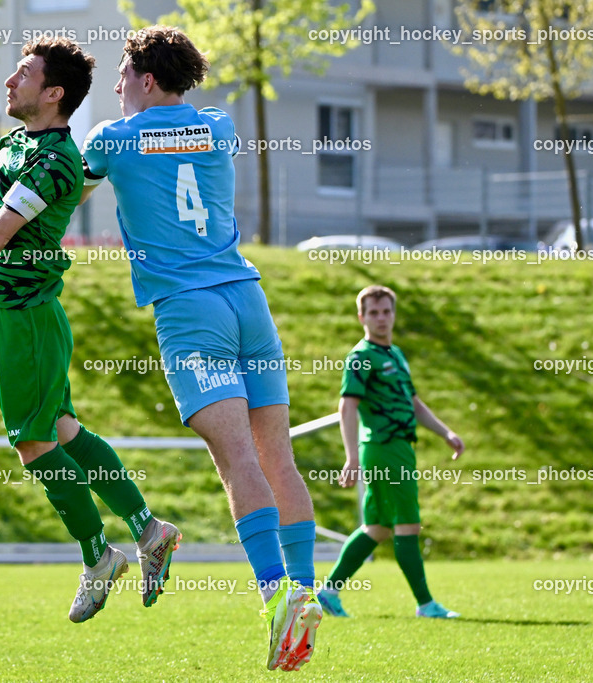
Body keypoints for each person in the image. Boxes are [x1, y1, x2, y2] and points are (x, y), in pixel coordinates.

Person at [0, 36, 180, 623]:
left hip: (25, 315)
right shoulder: (15, 144)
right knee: (65, 429)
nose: (9, 82)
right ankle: (149, 530)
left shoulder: (55, 160)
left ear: (53, 93)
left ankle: (98, 557)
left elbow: (0, 232)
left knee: (33, 442)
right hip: (10, 314)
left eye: (22, 74)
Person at [78, 26, 320, 671]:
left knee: (237, 458)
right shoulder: (218, 127)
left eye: (124, 77)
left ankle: (274, 596)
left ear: (146, 80)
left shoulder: (112, 139)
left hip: (190, 311)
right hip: (248, 298)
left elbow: (70, 190)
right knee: (278, 456)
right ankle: (304, 590)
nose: (119, 89)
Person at [318, 285, 464, 619]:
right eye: (373, 312)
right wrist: (351, 456)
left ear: (394, 314)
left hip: (398, 449)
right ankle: (426, 604)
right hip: (384, 450)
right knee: (407, 524)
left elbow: (413, 403)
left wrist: (446, 432)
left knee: (379, 527)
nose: (381, 318)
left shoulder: (395, 354)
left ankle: (329, 591)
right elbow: (347, 406)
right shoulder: (361, 357)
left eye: (386, 311)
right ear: (361, 317)